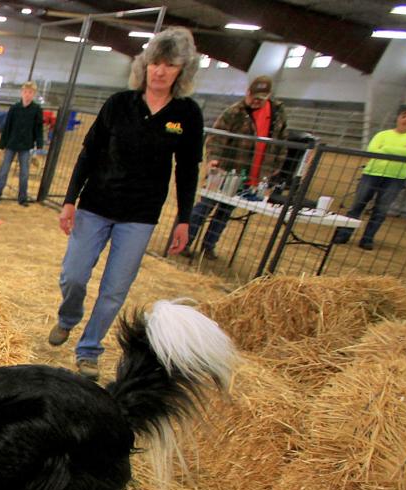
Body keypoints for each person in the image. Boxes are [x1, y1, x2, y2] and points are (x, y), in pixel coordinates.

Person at [49, 27, 203, 381]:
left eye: (169, 65)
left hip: (140, 215)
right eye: (155, 63)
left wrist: (184, 218)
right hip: (96, 204)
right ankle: (68, 318)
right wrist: (70, 200)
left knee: (114, 289)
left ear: (182, 71)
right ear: (144, 65)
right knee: (73, 275)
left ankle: (89, 349)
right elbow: (88, 154)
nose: (160, 71)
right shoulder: (119, 104)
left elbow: (187, 170)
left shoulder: (187, 114)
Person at [185, 75, 288, 260]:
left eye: (261, 98)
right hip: (226, 169)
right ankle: (184, 241)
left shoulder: (277, 115)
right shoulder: (234, 112)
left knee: (225, 211)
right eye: (254, 96)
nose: (256, 101)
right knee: (205, 206)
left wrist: (276, 166)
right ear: (247, 92)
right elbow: (216, 138)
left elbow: (282, 142)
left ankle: (209, 246)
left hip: (253, 174)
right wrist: (214, 159)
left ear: (269, 96)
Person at [333, 106, 406, 250]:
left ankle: (367, 239)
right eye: (404, 116)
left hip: (396, 177)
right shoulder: (382, 134)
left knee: (381, 210)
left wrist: (385, 149)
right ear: (398, 118)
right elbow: (372, 150)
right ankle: (343, 234)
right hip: (372, 173)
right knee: (357, 205)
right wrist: (400, 151)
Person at [0, 82, 44, 206]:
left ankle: (23, 197)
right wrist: (2, 143)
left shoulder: (36, 110)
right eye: (25, 92)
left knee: (24, 172)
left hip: (26, 145)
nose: (27, 95)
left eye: (30, 92)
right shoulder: (14, 108)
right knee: (4, 170)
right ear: (21, 93)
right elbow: (7, 126)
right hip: (11, 143)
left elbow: (38, 128)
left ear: (34, 94)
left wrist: (39, 144)